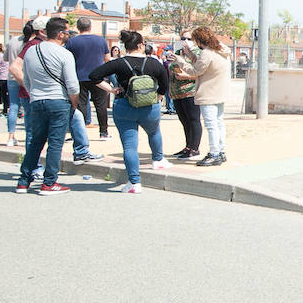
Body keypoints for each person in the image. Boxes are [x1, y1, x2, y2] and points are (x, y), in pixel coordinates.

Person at [89, 29, 171, 193]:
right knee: (154, 132)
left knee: (129, 146)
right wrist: (159, 98)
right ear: (141, 45)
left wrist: (112, 90)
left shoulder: (118, 63)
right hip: (149, 107)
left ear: (126, 46)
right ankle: (158, 160)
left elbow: (94, 75)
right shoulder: (154, 63)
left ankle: (134, 182)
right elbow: (164, 84)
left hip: (124, 105)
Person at [12, 17, 80, 195]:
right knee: (55, 143)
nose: (68, 35)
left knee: (36, 142)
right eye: (67, 32)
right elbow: (72, 84)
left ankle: (23, 181)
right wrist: (74, 103)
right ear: (59, 34)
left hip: (36, 100)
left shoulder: (31, 51)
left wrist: (35, 94)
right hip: (58, 101)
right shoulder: (64, 54)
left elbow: (26, 79)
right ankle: (49, 183)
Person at [188, 27, 230, 167]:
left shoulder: (207, 53)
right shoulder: (221, 50)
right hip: (219, 92)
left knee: (211, 125)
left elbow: (196, 71)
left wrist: (180, 61)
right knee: (219, 123)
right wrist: (191, 56)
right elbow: (203, 66)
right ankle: (220, 151)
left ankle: (214, 153)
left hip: (208, 93)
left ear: (200, 40)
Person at [65, 16, 111, 140]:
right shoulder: (101, 40)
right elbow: (107, 58)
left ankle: (80, 133)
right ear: (90, 27)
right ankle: (104, 132)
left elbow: (67, 59)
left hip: (79, 77)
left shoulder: (71, 42)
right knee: (101, 105)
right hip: (98, 77)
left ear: (78, 28)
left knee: (80, 106)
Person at [168, 36, 203, 159]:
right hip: (177, 92)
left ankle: (195, 148)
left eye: (188, 38)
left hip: (190, 92)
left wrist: (186, 76)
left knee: (193, 120)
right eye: (183, 38)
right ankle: (188, 146)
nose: (185, 41)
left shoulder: (198, 54)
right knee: (184, 121)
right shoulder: (177, 53)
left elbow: (201, 74)